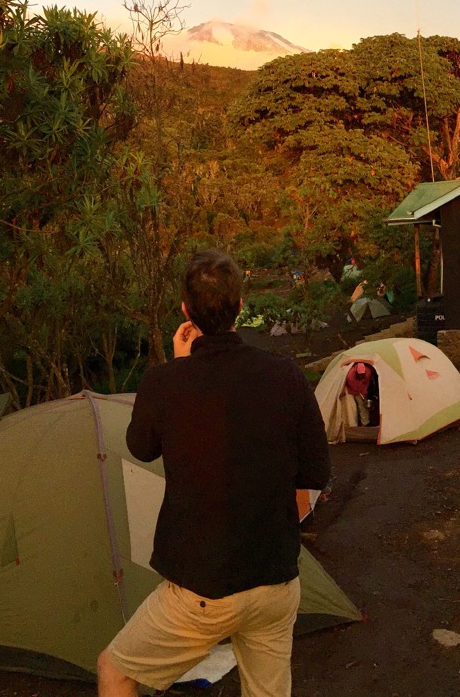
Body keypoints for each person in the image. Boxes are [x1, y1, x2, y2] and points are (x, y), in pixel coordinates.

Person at [98, 249, 330, 697]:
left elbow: (140, 447)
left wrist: (181, 368)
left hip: (201, 591)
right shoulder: (285, 375)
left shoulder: (165, 382)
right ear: (241, 306)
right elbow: (316, 471)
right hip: (275, 580)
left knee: (115, 671)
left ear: (186, 311)